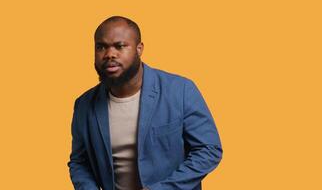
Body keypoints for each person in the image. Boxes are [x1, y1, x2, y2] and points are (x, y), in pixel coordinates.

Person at [67, 16, 223, 190]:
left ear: (139, 49)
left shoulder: (181, 90)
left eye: (120, 46)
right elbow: (79, 162)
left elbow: (208, 150)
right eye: (101, 47)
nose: (109, 54)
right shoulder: (84, 104)